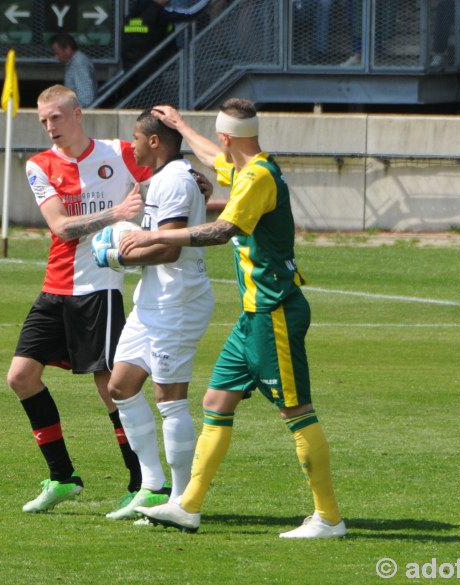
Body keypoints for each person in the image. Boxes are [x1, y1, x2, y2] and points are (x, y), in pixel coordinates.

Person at [122, 100, 346, 539]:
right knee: (215, 403)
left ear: (227, 136)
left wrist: (155, 234)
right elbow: (211, 156)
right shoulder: (248, 167)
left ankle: (329, 518)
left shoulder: (256, 177)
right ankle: (187, 507)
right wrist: (181, 126)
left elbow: (221, 231)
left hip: (274, 310)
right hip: (252, 316)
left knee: (296, 411)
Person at [7, 84, 152, 514]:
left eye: (56, 117)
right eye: (43, 120)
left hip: (99, 288)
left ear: (77, 114)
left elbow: (165, 180)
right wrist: (115, 214)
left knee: (110, 387)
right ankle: (63, 476)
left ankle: (142, 483)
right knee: (20, 377)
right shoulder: (40, 165)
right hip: (56, 286)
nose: (50, 127)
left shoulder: (120, 152)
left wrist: (195, 181)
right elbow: (61, 228)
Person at [92, 108, 215, 520]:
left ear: (156, 141)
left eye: (136, 137)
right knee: (121, 386)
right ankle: (150, 487)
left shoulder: (176, 181)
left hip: (178, 301)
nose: (132, 145)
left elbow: (170, 247)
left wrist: (118, 257)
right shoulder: (166, 179)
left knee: (170, 399)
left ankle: (181, 502)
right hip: (152, 300)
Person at [49, 33, 98, 108]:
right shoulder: (75, 62)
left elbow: (86, 98)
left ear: (68, 49)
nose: (56, 57)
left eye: (58, 53)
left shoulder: (79, 63)